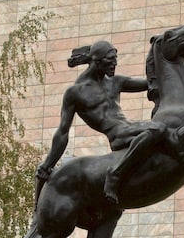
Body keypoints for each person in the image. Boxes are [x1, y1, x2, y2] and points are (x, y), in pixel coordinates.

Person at [35, 40, 167, 204]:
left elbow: (152, 84)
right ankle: (115, 174)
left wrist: (180, 74)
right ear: (96, 60)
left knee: (164, 128)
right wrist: (48, 163)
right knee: (157, 130)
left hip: (131, 127)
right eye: (110, 60)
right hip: (118, 135)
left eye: (115, 60)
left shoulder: (116, 82)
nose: (115, 64)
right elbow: (63, 132)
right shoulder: (75, 93)